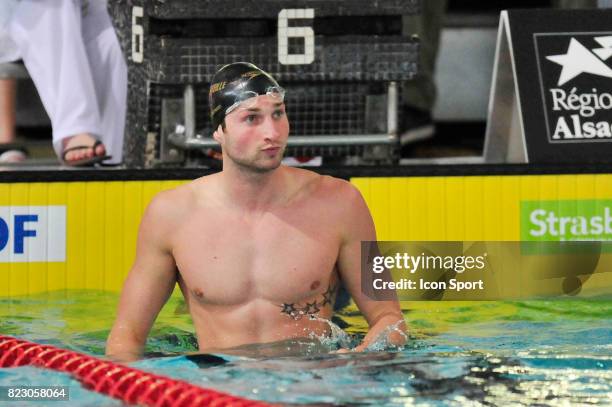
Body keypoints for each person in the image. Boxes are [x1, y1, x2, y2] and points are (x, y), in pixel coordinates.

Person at [106, 62, 406, 361]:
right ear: (218, 131)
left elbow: (388, 317)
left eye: (278, 113)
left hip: (313, 382)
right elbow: (127, 336)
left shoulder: (340, 203)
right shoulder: (171, 215)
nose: (272, 132)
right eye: (252, 118)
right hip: (219, 388)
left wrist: (362, 360)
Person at [1, 0, 126, 166]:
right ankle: (74, 130)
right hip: (17, 16)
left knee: (112, 38)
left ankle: (112, 156)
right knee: (53, 5)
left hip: (79, 12)